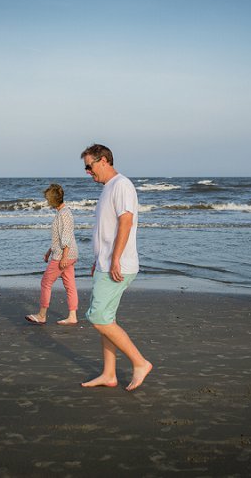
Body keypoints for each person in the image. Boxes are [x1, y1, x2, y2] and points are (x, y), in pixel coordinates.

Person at [79, 144, 152, 391]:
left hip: (116, 265)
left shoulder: (121, 185)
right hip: (106, 263)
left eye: (89, 166)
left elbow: (126, 221)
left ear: (103, 161)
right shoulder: (109, 188)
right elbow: (107, 231)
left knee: (98, 318)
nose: (88, 172)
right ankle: (109, 374)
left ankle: (140, 363)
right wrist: (99, 259)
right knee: (106, 319)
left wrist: (115, 260)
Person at [25, 184, 79, 326]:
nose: (47, 201)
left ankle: (42, 315)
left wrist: (64, 257)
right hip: (66, 254)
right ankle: (72, 316)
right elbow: (59, 238)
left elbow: (66, 236)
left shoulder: (64, 214)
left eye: (48, 199)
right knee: (70, 285)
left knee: (46, 282)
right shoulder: (62, 212)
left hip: (63, 255)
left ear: (53, 200)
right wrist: (49, 251)